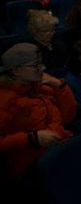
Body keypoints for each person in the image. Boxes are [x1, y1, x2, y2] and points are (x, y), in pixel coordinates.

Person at [0, 43, 76, 179]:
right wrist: (32, 138)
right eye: (36, 65)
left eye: (41, 63)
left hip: (60, 147)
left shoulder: (40, 88)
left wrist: (60, 86)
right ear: (16, 71)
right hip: (33, 165)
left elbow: (68, 116)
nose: (43, 68)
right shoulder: (5, 99)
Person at [26, 9, 69, 77]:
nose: (51, 33)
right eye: (46, 31)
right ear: (35, 31)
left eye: (52, 30)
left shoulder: (59, 44)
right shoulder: (30, 49)